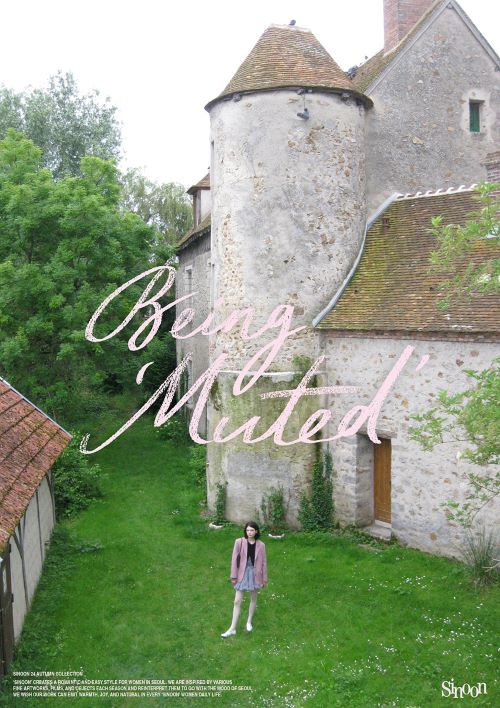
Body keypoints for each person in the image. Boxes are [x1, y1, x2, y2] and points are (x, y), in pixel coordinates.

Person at [221, 521, 267, 637]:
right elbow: (234, 560)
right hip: (242, 574)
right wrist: (233, 576)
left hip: (255, 575)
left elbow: (264, 563)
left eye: (252, 530)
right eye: (247, 530)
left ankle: (249, 621)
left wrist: (264, 579)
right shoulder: (239, 542)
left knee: (253, 598)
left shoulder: (261, 545)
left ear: (256, 531)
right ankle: (232, 628)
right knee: (237, 601)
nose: (249, 532)